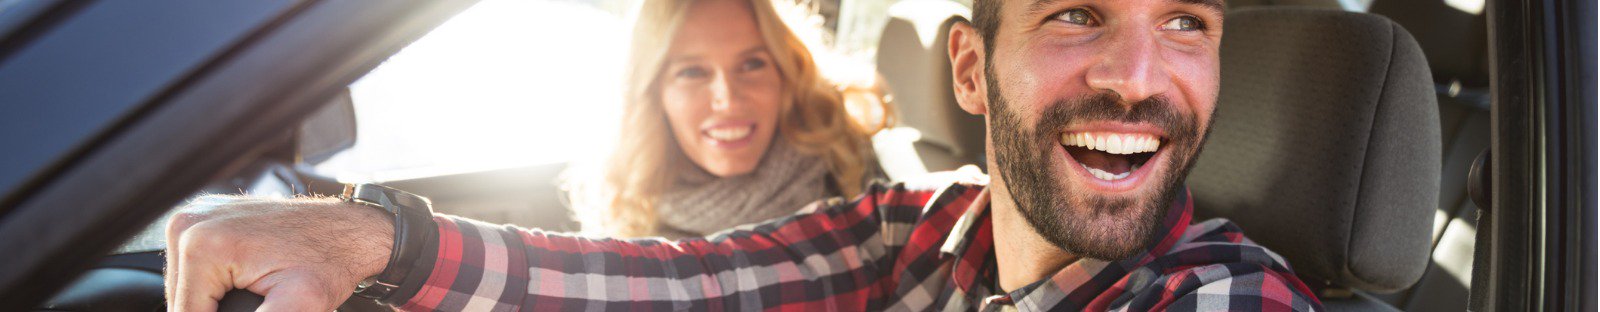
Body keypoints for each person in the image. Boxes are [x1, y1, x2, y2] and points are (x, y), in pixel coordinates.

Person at [163, 0, 1326, 310]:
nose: (1138, 73)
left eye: (1187, 23)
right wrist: (376, 235)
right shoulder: (923, 229)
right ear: (971, 72)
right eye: (1078, 15)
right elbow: (678, 283)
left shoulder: (1230, 297)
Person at [565, 0, 890, 239]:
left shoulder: (856, 174)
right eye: (692, 72)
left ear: (785, 72)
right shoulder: (628, 224)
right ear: (654, 93)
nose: (728, 99)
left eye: (751, 64)